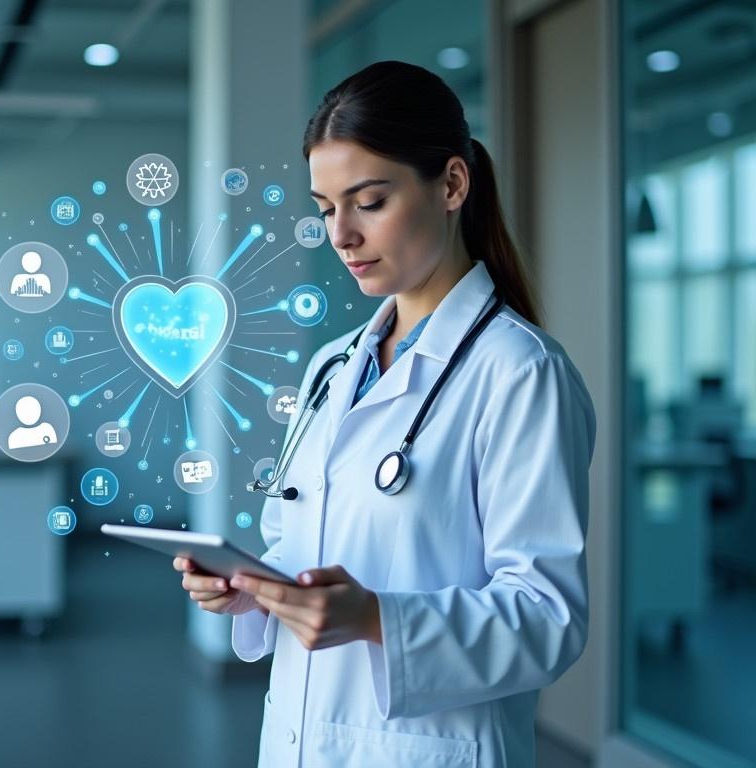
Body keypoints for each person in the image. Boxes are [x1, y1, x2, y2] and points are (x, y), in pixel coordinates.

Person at [174, 60, 595, 767]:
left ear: (452, 184)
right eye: (324, 208)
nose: (340, 234)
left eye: (368, 201)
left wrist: (376, 618)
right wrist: (250, 585)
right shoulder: (332, 368)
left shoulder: (521, 374)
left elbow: (548, 619)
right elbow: (298, 543)